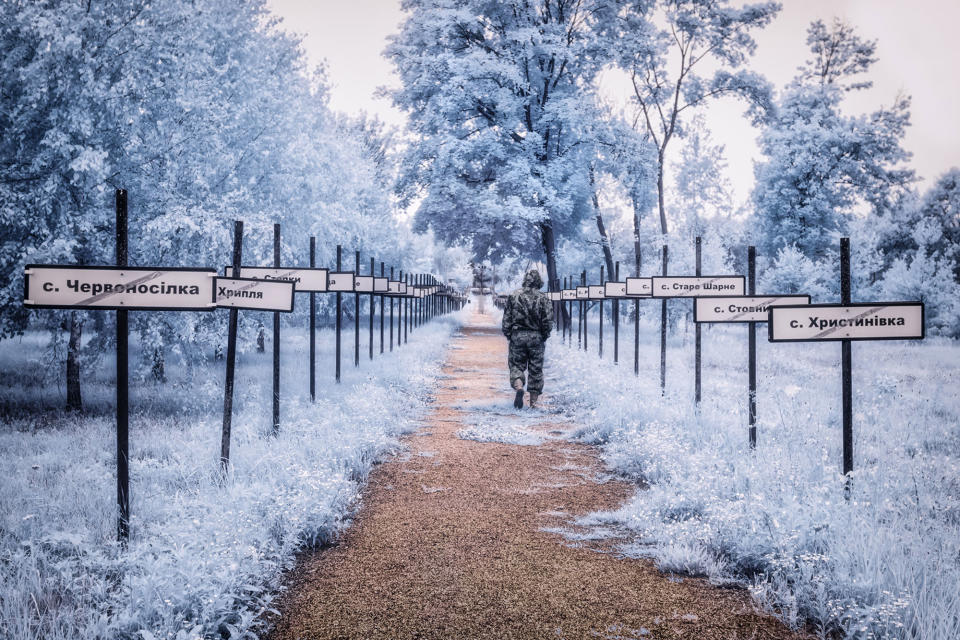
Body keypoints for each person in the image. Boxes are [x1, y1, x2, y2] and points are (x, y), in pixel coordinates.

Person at [501, 269, 553, 409]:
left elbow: (507, 318)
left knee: (516, 365)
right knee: (536, 369)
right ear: (538, 282)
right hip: (536, 337)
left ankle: (519, 388)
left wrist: (509, 334)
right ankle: (533, 404)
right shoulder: (543, 298)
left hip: (517, 336)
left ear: (525, 280)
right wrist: (544, 335)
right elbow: (548, 320)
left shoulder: (514, 296)